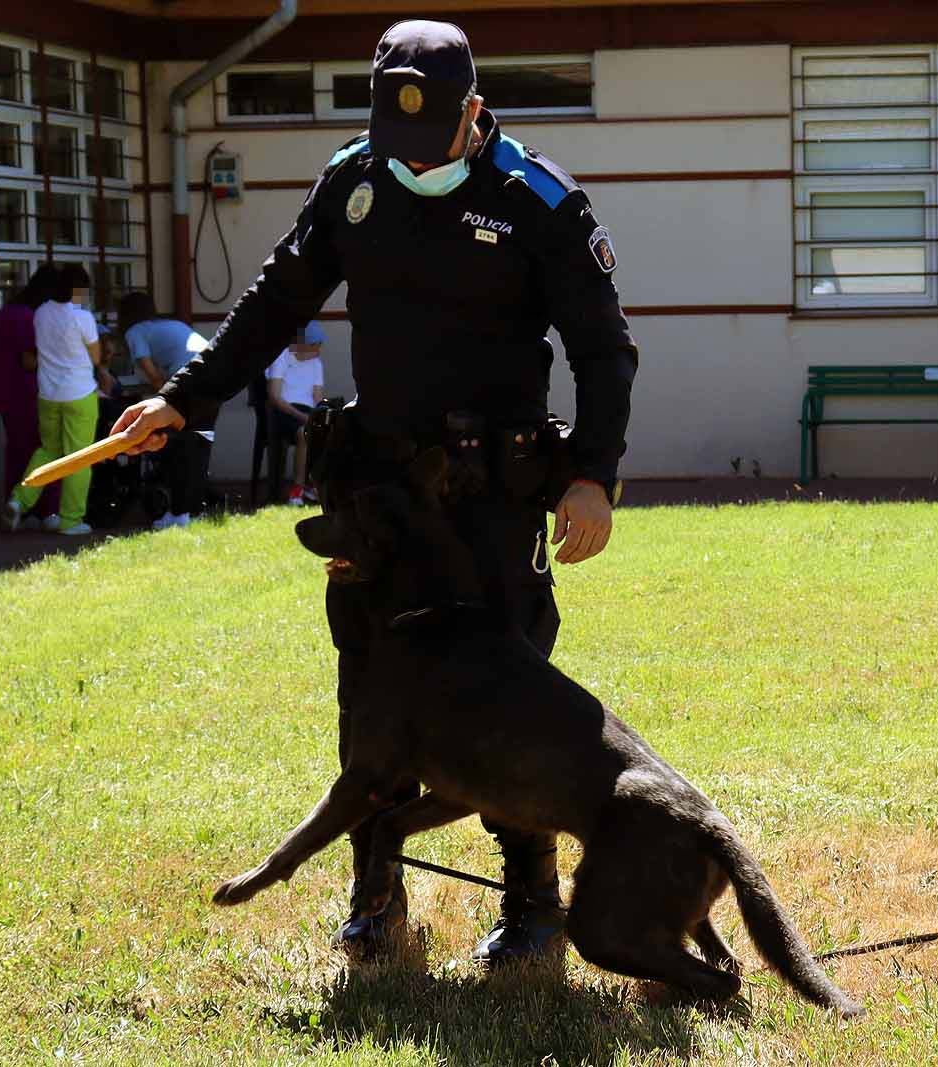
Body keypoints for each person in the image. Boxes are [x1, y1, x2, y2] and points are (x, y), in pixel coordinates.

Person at [111, 20, 637, 965]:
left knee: (507, 686)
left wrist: (594, 473)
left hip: (491, 490)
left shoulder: (537, 200)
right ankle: (376, 894)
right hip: (380, 490)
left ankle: (532, 903)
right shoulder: (355, 181)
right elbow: (275, 300)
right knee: (372, 686)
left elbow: (605, 349)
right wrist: (184, 401)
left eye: (429, 143)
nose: (410, 163)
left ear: (473, 114)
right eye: (393, 144)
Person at [3, 263, 103, 536]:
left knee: (48, 450)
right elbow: (96, 356)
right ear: (79, 290)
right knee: (79, 458)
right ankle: (71, 520)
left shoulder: (42, 313)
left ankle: (19, 499)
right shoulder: (82, 317)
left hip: (47, 394)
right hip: (80, 394)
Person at [116, 291, 214, 529]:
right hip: (213, 376)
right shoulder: (170, 324)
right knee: (200, 445)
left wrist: (162, 396)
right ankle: (193, 510)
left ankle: (178, 513)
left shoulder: (135, 331)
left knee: (180, 447)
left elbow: (149, 370)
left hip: (189, 381)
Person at [0, 265, 60, 529]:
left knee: (17, 452)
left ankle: (17, 508)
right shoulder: (30, 316)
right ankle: (44, 511)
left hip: (7, 393)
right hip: (30, 392)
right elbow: (29, 360)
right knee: (46, 450)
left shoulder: (9, 311)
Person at [264, 321, 326, 506]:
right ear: (302, 344)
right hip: (284, 411)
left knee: (328, 433)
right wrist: (301, 417)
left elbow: (317, 398)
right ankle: (297, 489)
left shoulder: (316, 363)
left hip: (307, 413)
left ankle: (316, 485)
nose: (318, 351)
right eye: (314, 346)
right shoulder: (281, 357)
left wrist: (319, 416)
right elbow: (275, 397)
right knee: (303, 433)